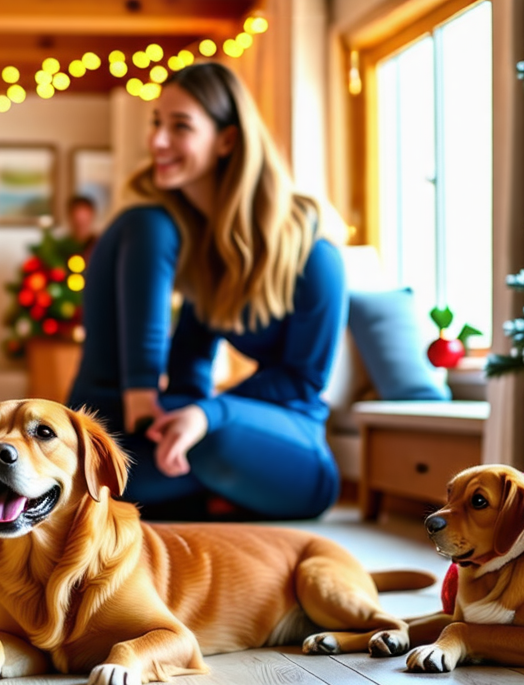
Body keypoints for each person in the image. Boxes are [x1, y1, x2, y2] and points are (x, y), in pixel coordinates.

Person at [67, 62, 346, 521]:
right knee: (99, 472)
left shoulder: (313, 254)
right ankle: (206, 496)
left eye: (180, 127)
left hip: (299, 451)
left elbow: (303, 382)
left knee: (204, 434)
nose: (157, 140)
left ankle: (211, 485)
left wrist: (207, 414)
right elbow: (191, 360)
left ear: (227, 140)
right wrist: (168, 417)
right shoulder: (209, 253)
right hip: (223, 429)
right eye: (157, 123)